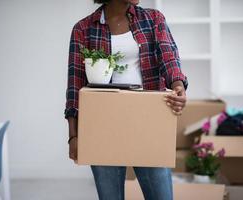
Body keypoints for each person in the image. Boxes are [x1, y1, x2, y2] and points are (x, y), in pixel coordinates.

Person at [64, 0, 188, 199]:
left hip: (148, 122)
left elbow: (169, 58)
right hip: (103, 126)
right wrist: (73, 136)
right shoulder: (83, 29)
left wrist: (178, 86)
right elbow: (75, 85)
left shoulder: (153, 19)